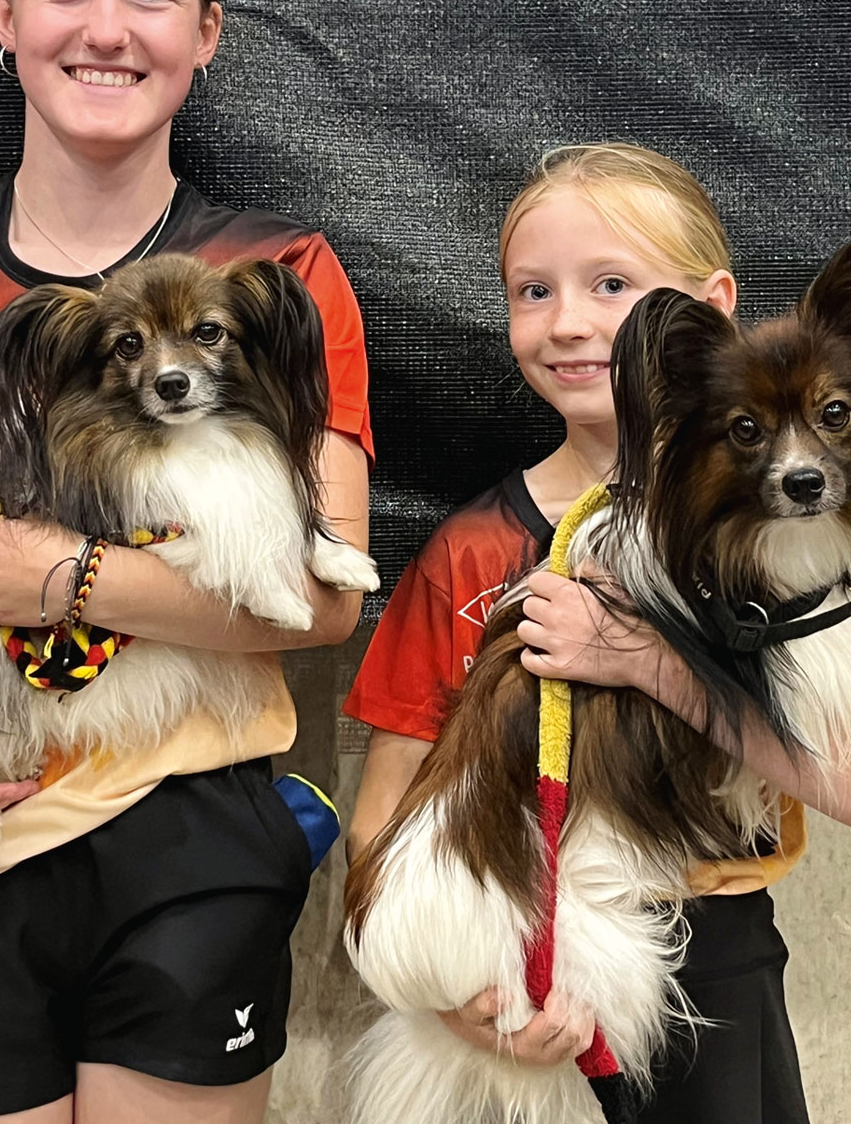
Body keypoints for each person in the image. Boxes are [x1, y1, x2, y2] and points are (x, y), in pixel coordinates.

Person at [0, 0, 373, 1124]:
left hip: (189, 836)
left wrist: (63, 580)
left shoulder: (282, 271)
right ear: (5, 16)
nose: (103, 28)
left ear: (205, 31)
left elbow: (319, 602)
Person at [343, 141, 847, 1123]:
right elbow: (381, 817)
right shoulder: (471, 550)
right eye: (532, 291)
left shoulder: (801, 545)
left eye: (610, 284)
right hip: (512, 961)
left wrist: (644, 661)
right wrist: (459, 996)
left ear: (707, 310)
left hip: (715, 948)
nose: (568, 321)